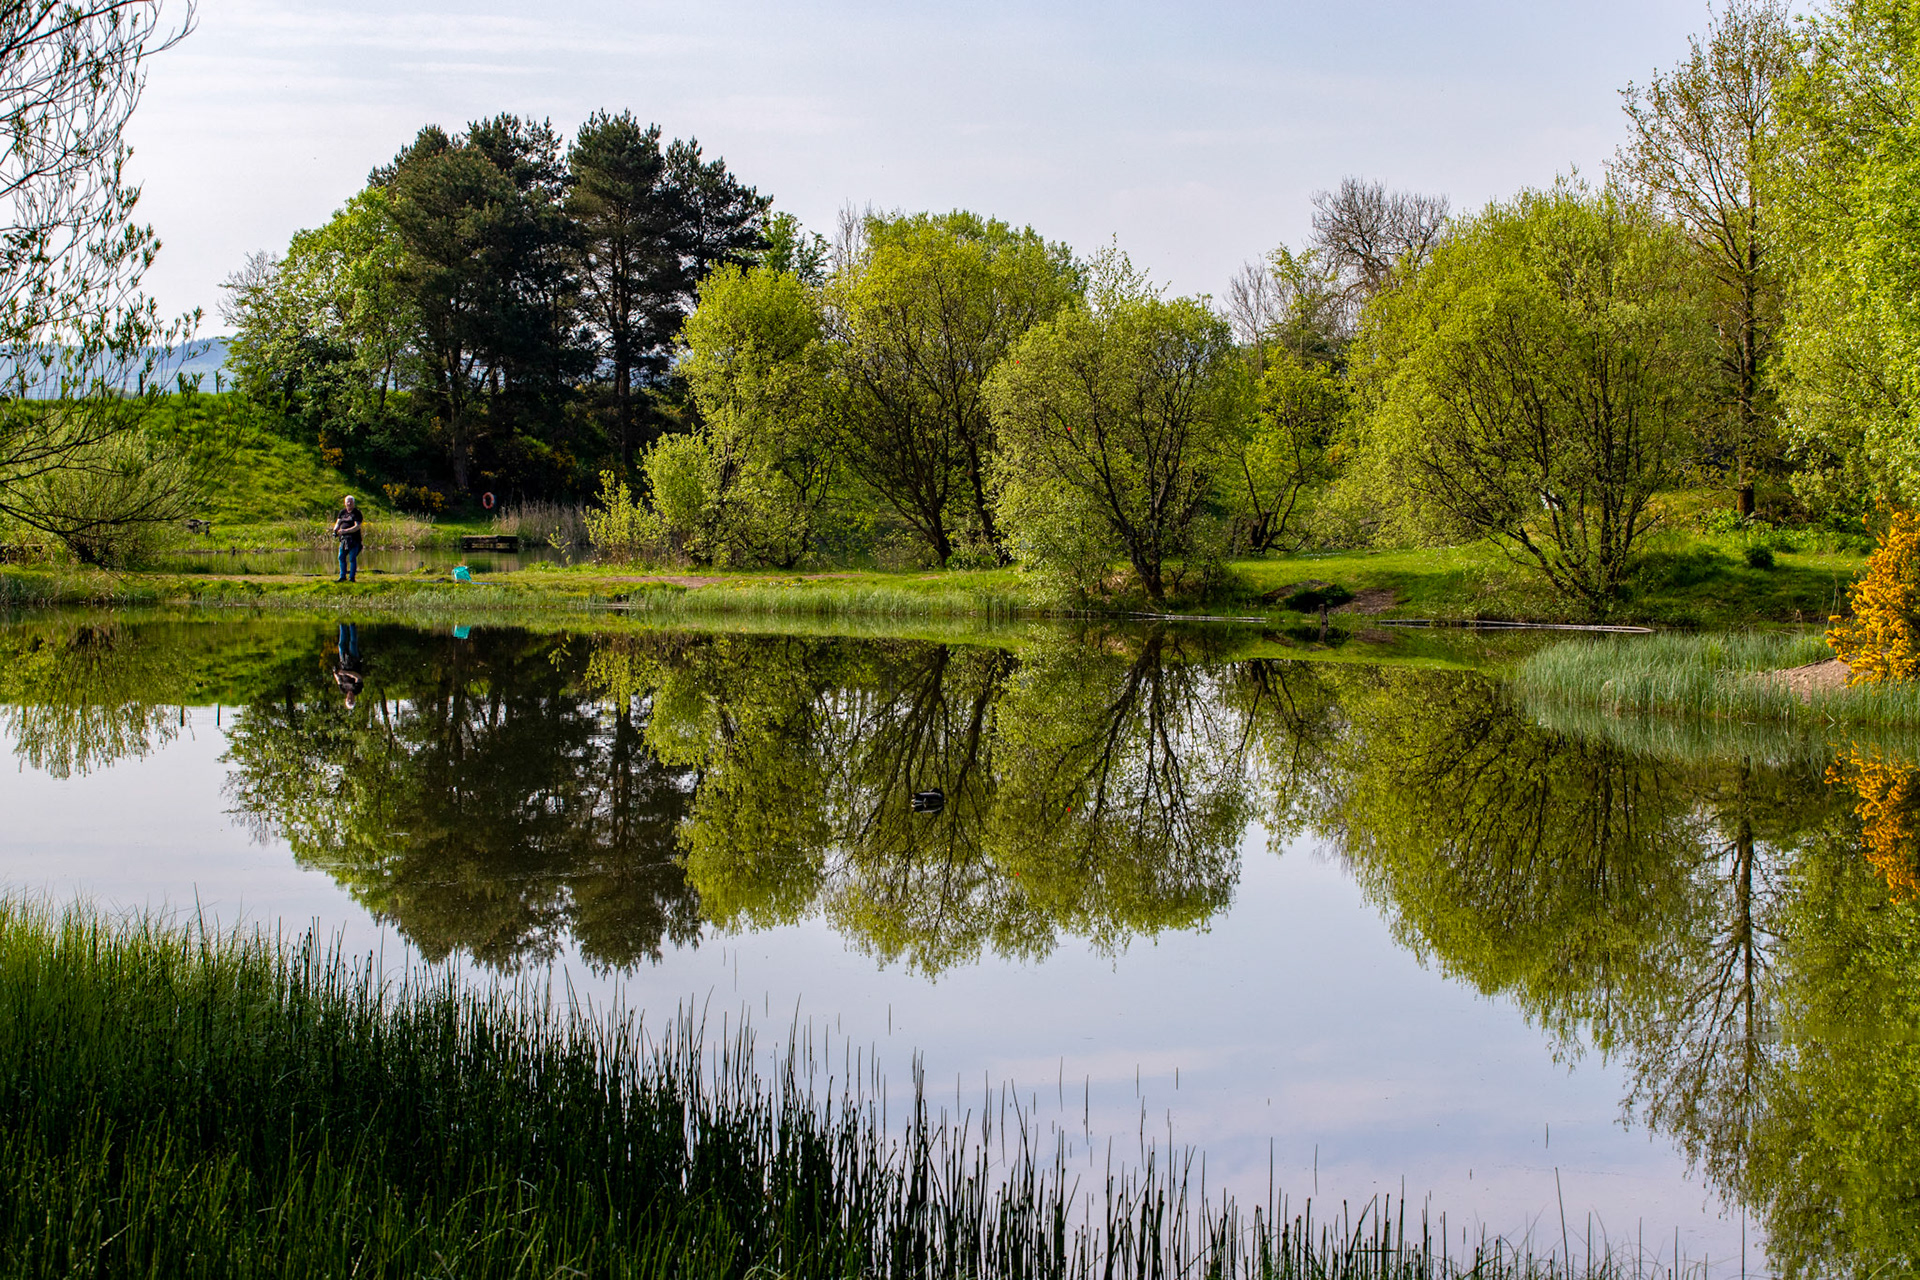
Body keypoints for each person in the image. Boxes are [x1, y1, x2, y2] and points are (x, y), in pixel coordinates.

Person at [331, 495, 364, 582]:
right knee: (341, 557)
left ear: (354, 503)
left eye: (351, 502)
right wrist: (335, 530)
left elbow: (357, 527)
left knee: (352, 558)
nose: (349, 503)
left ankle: (352, 578)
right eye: (347, 502)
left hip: (354, 539)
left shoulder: (357, 513)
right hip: (344, 539)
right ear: (345, 503)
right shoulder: (342, 512)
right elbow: (338, 523)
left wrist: (345, 531)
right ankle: (342, 576)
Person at [333, 622, 365, 710]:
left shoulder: (343, 690)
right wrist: (346, 673)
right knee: (352, 643)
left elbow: (339, 680)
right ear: (354, 700)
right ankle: (352, 624)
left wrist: (336, 673)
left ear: (346, 699)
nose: (350, 699)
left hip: (344, 663)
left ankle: (342, 625)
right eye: (352, 700)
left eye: (348, 700)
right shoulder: (357, 689)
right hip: (354, 662)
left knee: (341, 645)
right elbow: (358, 677)